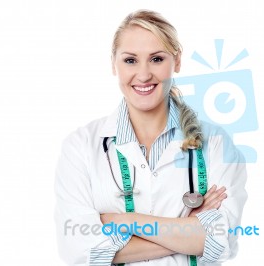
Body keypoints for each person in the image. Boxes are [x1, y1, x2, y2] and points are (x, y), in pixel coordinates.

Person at [54, 9, 247, 266]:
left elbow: (221, 241)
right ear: (114, 64)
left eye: (156, 59)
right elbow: (79, 249)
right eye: (130, 60)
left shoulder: (217, 144)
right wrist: (187, 229)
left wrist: (126, 222)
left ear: (176, 61)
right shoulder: (80, 147)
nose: (143, 75)